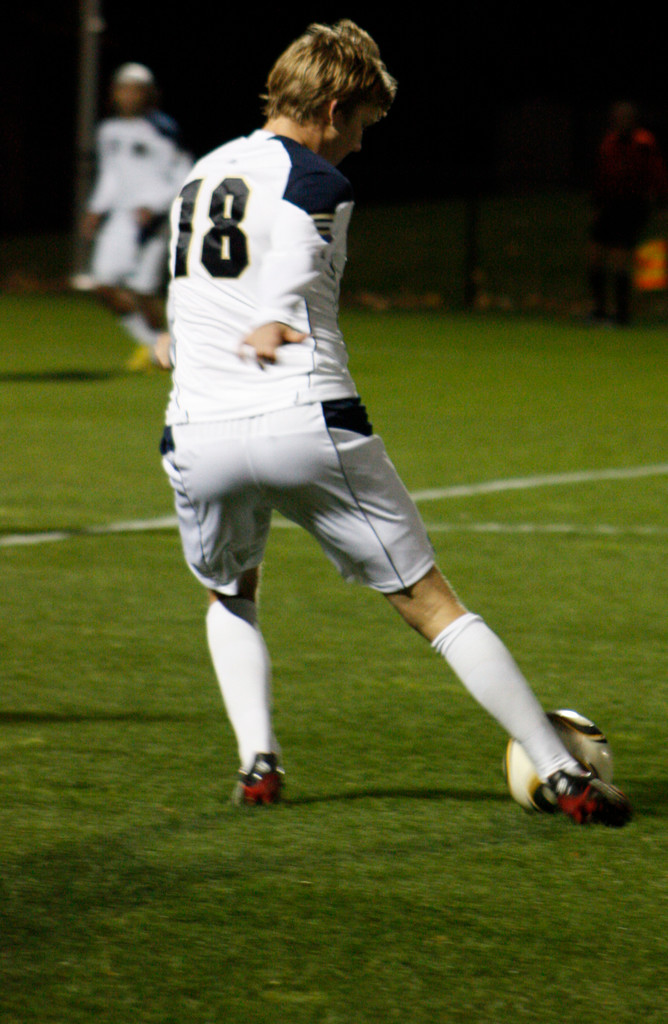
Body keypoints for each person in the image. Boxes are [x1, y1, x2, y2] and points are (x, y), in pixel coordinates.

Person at [160, 20, 631, 826]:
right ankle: (563, 774)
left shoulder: (202, 174)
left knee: (229, 593)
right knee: (430, 603)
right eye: (364, 125)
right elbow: (296, 257)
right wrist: (275, 317)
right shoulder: (316, 179)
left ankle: (258, 763)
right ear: (336, 106)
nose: (362, 146)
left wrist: (180, 337)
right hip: (303, 416)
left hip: (199, 432)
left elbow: (197, 281)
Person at [80, 62, 192, 370]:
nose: (128, 96)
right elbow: (111, 176)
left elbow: (184, 173)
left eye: (135, 89)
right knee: (102, 284)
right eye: (122, 88)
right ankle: (156, 346)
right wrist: (95, 208)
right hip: (121, 219)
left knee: (143, 290)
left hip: (153, 220)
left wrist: (155, 206)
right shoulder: (108, 130)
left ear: (148, 94)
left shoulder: (163, 128)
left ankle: (165, 350)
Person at [587, 100, 668, 325]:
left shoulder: (643, 143)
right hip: (610, 205)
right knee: (594, 255)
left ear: (633, 120)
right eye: (617, 117)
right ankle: (599, 310)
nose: (620, 121)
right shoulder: (609, 142)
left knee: (620, 258)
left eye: (625, 117)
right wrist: (596, 204)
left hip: (632, 205)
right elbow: (601, 174)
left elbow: (657, 172)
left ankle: (622, 314)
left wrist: (662, 201)